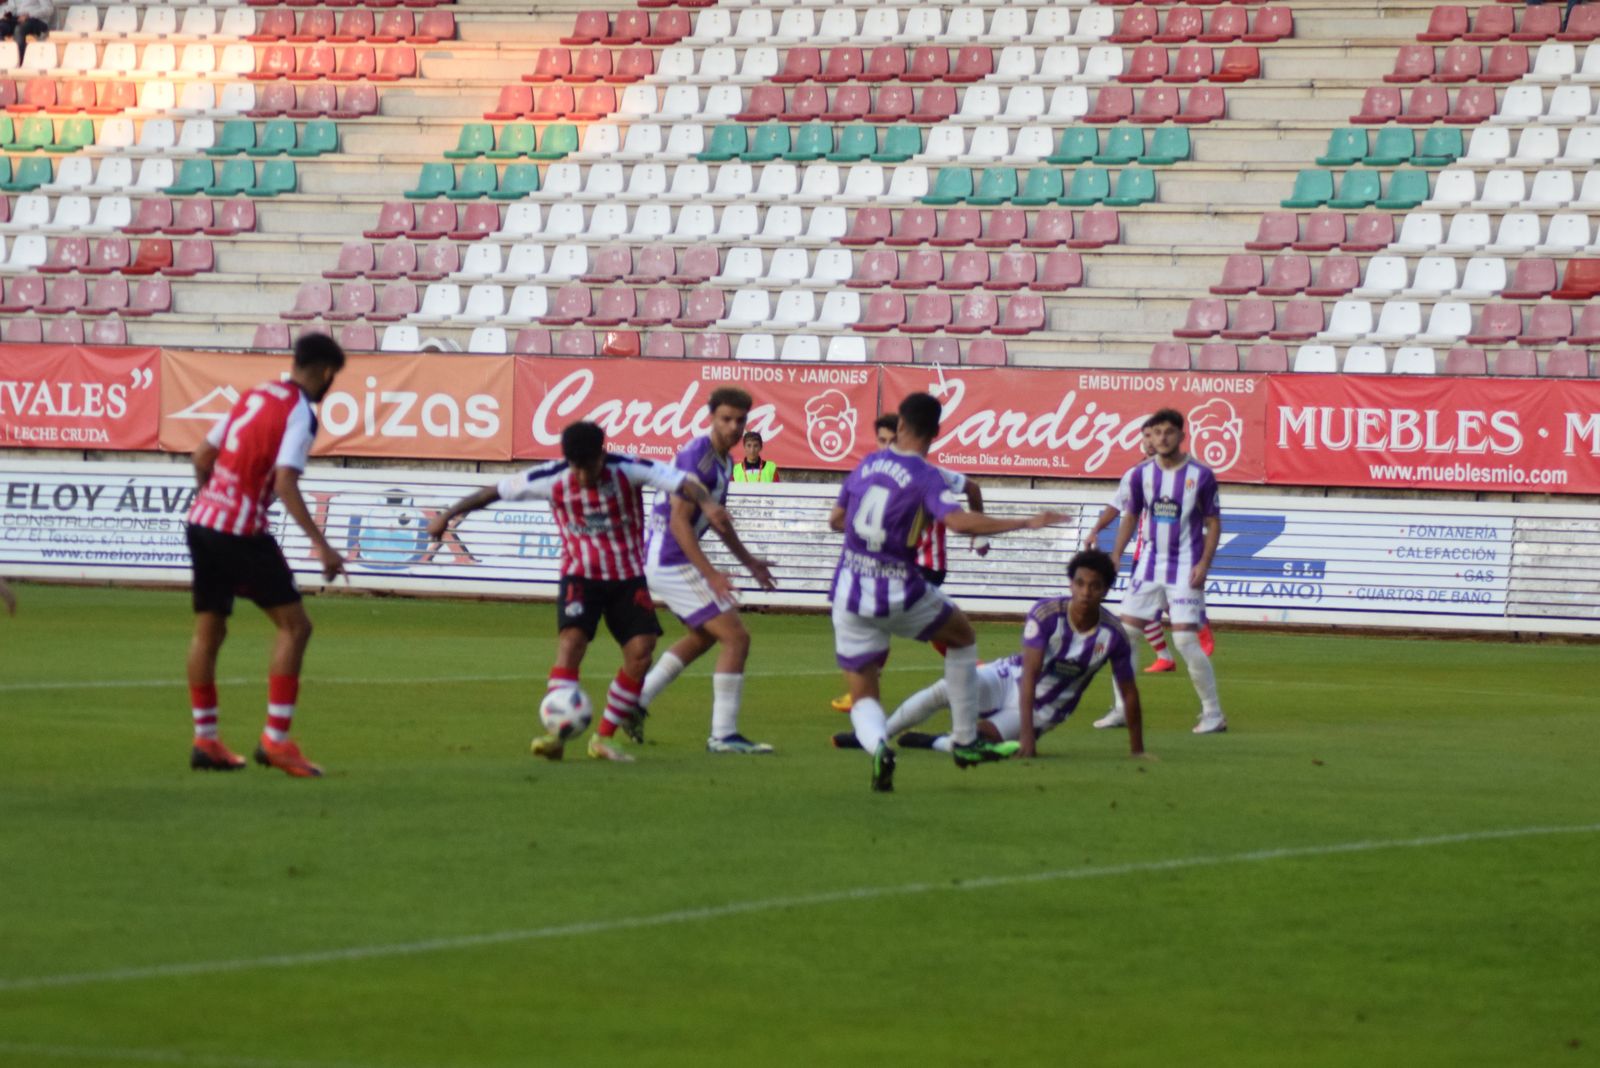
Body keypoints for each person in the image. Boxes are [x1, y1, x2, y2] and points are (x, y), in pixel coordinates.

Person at [426, 421, 728, 763]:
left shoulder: (628, 469)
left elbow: (684, 482)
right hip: (580, 576)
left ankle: (603, 737)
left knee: (641, 652)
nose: (583, 475)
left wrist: (706, 504)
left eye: (590, 466)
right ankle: (556, 735)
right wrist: (448, 515)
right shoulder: (551, 476)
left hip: (626, 577)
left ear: (603, 454)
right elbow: (493, 491)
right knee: (572, 643)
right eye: (577, 467)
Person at [831, 392, 1068, 792]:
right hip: (897, 587)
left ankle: (878, 748)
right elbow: (957, 522)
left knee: (864, 688)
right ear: (936, 432)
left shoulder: (868, 463)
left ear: (900, 425)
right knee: (962, 636)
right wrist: (1025, 522)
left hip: (848, 591)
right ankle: (964, 739)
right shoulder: (926, 476)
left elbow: (837, 519)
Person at [184, 333, 348, 778]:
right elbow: (283, 483)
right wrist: (322, 544)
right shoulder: (300, 412)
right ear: (328, 373)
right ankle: (275, 740)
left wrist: (216, 502)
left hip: (201, 522)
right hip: (241, 531)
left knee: (209, 630)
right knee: (295, 627)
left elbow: (202, 457)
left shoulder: (254, 394)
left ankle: (206, 739)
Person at [831, 550, 1147, 760]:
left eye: (1094, 586)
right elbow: (1030, 675)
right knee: (944, 690)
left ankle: (932, 741)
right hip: (1009, 678)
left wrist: (1137, 751)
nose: (1085, 592)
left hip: (1046, 708)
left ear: (1105, 590)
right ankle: (875, 737)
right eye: (1080, 584)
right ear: (1071, 584)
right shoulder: (1047, 614)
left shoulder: (1114, 635)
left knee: (978, 743)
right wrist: (1027, 739)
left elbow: (1129, 694)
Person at [636, 388, 779, 754]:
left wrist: (749, 562)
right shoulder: (697, 456)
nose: (734, 427)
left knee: (703, 637)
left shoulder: (723, 461)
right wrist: (711, 574)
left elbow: (717, 521)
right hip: (671, 558)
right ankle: (723, 735)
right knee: (736, 638)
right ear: (710, 418)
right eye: (726, 419)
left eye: (740, 420)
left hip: (670, 559)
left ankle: (635, 702)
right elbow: (681, 524)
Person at [829, 412, 987, 714]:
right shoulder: (871, 473)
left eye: (893, 440)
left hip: (925, 561)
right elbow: (841, 519)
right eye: (882, 440)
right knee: (898, 620)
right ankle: (972, 669)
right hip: (892, 564)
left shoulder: (929, 472)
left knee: (887, 617)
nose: (888, 446)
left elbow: (973, 488)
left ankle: (974, 672)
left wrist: (978, 537)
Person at [1101, 408, 1227, 735]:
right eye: (1156, 433)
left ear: (1181, 436)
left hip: (1186, 565)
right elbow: (1129, 516)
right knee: (1124, 635)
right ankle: (1122, 708)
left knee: (1185, 638)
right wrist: (1115, 555)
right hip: (1149, 565)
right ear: (1149, 437)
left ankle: (1213, 713)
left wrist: (1204, 564)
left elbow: (1213, 523)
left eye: (1168, 432)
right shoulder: (1139, 474)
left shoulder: (1201, 474)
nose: (1161, 438)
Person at [1083, 424, 1217, 676]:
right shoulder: (1135, 474)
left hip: (1178, 551)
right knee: (1145, 607)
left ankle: (1199, 628)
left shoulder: (1188, 473)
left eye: (1159, 437)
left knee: (1165, 603)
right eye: (1147, 437)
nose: (1152, 442)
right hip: (1146, 552)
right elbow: (1117, 507)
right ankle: (1164, 656)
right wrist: (1096, 530)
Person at [0, 0, 53, 66]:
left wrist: (29, 15)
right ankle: (3, 59)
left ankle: (19, 63)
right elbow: (12, 8)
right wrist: (6, 15)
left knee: (19, 29)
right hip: (18, 19)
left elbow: (48, 9)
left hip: (36, 20)